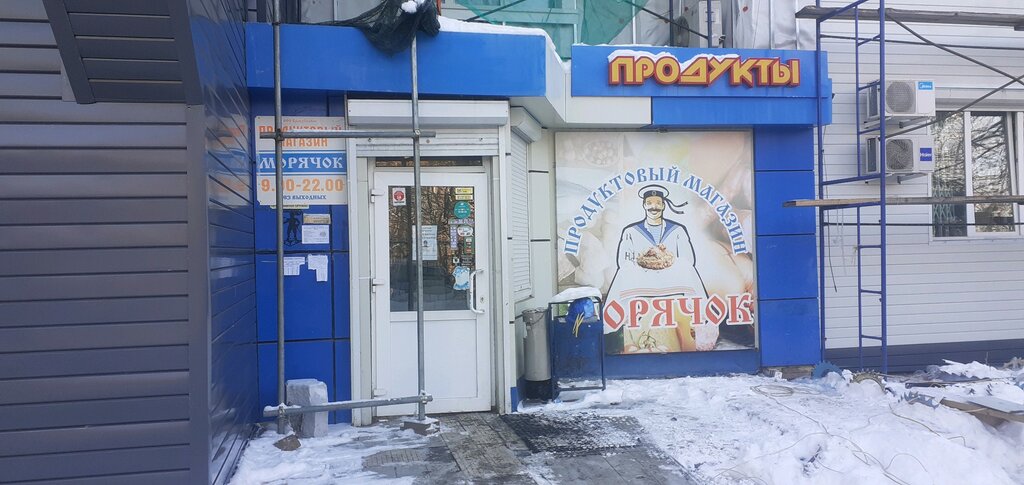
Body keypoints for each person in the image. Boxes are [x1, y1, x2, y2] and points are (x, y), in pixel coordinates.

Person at [604, 184, 716, 352]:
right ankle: (618, 327)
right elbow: (623, 262)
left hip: (672, 276)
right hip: (641, 277)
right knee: (623, 274)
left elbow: (688, 260)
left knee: (689, 271)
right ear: (644, 205)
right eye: (649, 203)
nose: (653, 207)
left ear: (663, 205)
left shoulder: (678, 230)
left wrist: (667, 261)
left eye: (658, 203)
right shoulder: (631, 231)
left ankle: (699, 325)